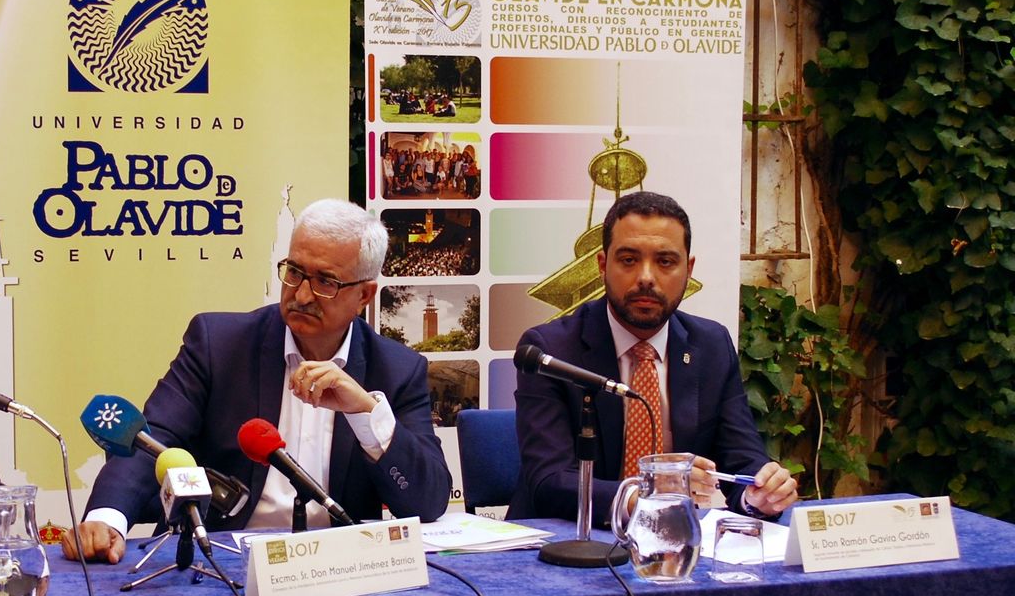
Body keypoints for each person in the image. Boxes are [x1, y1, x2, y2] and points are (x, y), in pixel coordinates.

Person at [63, 198, 452, 563]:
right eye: (295, 271)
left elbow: (427, 502)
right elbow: (153, 439)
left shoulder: (397, 370)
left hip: (339, 572)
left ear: (364, 295)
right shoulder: (219, 344)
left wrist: (367, 413)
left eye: (325, 282)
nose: (301, 294)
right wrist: (107, 518)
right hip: (224, 560)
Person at [509, 191, 799, 526]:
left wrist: (758, 496)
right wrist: (649, 494)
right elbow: (549, 480)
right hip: (568, 545)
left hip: (677, 546)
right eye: (629, 260)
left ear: (688, 269)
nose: (646, 277)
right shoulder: (551, 349)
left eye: (665, 262)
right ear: (603, 265)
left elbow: (742, 457)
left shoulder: (711, 345)